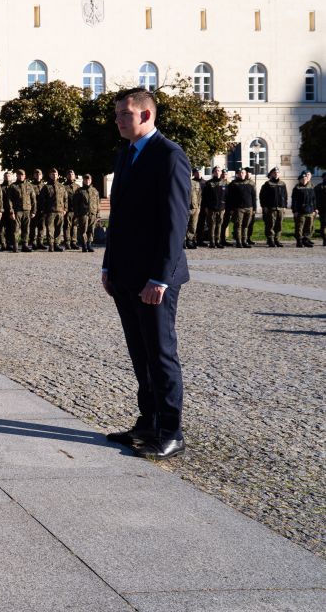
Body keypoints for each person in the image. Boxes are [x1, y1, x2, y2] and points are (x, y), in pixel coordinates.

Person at [102, 87, 190, 461]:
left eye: (125, 114)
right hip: (125, 274)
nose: (118, 120)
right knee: (140, 353)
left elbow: (174, 224)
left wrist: (161, 278)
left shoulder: (169, 156)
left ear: (146, 116)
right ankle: (147, 420)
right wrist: (108, 265)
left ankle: (171, 431)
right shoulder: (127, 155)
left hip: (154, 279)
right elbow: (118, 218)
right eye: (118, 114)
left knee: (161, 353)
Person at [225, 167, 256, 248]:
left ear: (245, 174)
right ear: (237, 174)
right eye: (240, 173)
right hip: (238, 208)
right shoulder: (233, 184)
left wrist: (254, 208)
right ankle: (238, 241)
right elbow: (229, 197)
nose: (242, 174)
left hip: (249, 207)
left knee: (246, 225)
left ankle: (244, 241)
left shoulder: (250, 184)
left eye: (243, 173)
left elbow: (253, 196)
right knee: (238, 225)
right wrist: (231, 208)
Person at [38, 168, 68, 251]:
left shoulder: (62, 186)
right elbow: (42, 200)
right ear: (50, 175)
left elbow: (65, 198)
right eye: (52, 174)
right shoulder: (46, 187)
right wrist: (44, 211)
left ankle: (56, 245)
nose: (54, 175)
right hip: (50, 211)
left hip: (60, 211)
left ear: (58, 175)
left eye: (55, 174)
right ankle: (51, 245)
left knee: (58, 229)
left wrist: (65, 209)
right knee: (50, 229)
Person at [258, 168, 288, 247]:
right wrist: (264, 206)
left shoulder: (282, 184)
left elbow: (285, 196)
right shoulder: (267, 184)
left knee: (279, 225)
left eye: (278, 172)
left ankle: (277, 239)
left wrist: (285, 205)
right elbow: (262, 196)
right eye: (274, 173)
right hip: (271, 208)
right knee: (270, 225)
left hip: (280, 208)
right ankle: (270, 240)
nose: (276, 174)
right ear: (271, 174)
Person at [72, 173, 101, 252]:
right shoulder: (79, 191)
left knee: (91, 229)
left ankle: (89, 244)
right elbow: (75, 204)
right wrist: (77, 214)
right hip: (83, 213)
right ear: (83, 180)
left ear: (91, 180)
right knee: (83, 230)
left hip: (93, 213)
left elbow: (98, 203)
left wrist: (98, 213)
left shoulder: (95, 191)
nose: (87, 181)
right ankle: (84, 245)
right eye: (85, 179)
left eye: (89, 179)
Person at [200, 166, 226, 248]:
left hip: (221, 208)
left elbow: (227, 196)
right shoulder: (208, 183)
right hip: (211, 208)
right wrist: (206, 207)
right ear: (213, 172)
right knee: (212, 225)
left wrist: (225, 206)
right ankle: (212, 242)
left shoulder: (224, 183)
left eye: (219, 171)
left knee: (219, 225)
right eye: (216, 171)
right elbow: (205, 196)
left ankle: (217, 241)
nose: (218, 172)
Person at [290, 170, 316, 247]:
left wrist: (315, 209)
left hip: (310, 210)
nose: (304, 180)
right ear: (300, 180)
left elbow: (314, 199)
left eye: (305, 178)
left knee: (308, 226)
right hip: (300, 211)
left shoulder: (311, 187)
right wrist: (295, 211)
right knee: (299, 227)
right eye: (302, 179)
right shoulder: (297, 188)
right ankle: (299, 241)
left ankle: (306, 240)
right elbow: (294, 200)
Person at [62, 169, 80, 249]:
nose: (70, 175)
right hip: (67, 210)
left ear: (74, 175)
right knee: (67, 227)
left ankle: (74, 242)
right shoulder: (63, 186)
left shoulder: (78, 186)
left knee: (75, 226)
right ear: (66, 176)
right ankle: (67, 243)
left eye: (72, 174)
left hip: (76, 210)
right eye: (69, 174)